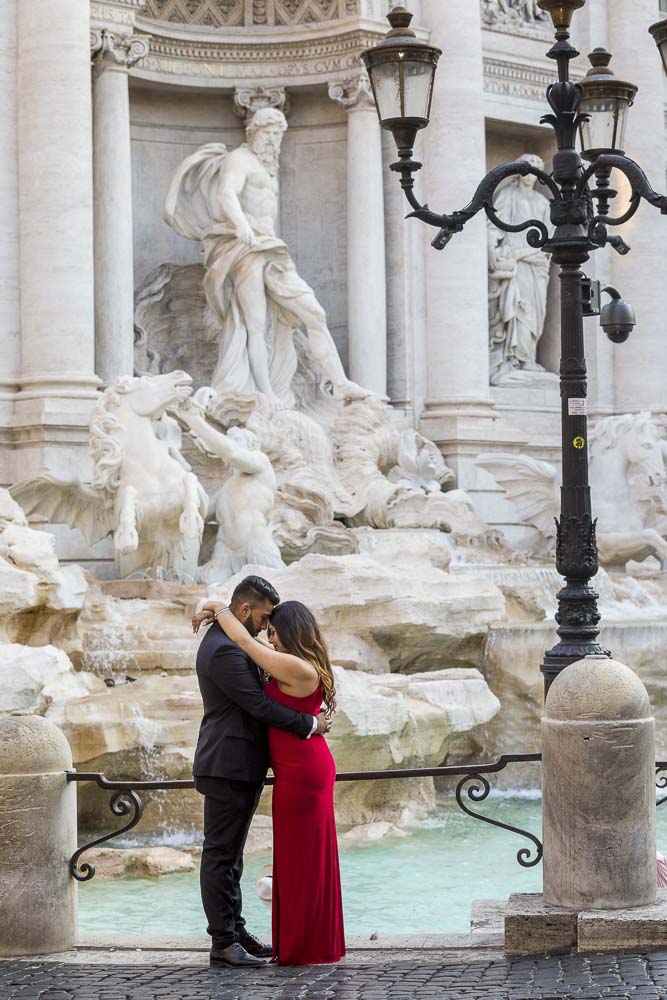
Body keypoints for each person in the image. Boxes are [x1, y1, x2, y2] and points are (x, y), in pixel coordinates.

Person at [165, 107, 369, 408]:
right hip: (245, 248)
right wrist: (242, 226)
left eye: (278, 135)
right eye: (269, 134)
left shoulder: (267, 167)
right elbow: (227, 194)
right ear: (253, 132)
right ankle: (265, 393)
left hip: (272, 250)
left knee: (314, 313)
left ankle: (339, 382)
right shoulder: (240, 159)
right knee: (254, 325)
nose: (274, 141)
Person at [193, 595, 345, 966]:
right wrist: (219, 611)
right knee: (296, 861)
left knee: (303, 862)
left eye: (275, 633)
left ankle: (306, 947)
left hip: (304, 775)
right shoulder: (292, 661)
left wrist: (216, 605)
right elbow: (252, 644)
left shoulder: (297, 667)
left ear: (291, 633)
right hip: (294, 772)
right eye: (268, 630)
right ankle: (297, 942)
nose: (269, 639)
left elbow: (246, 642)